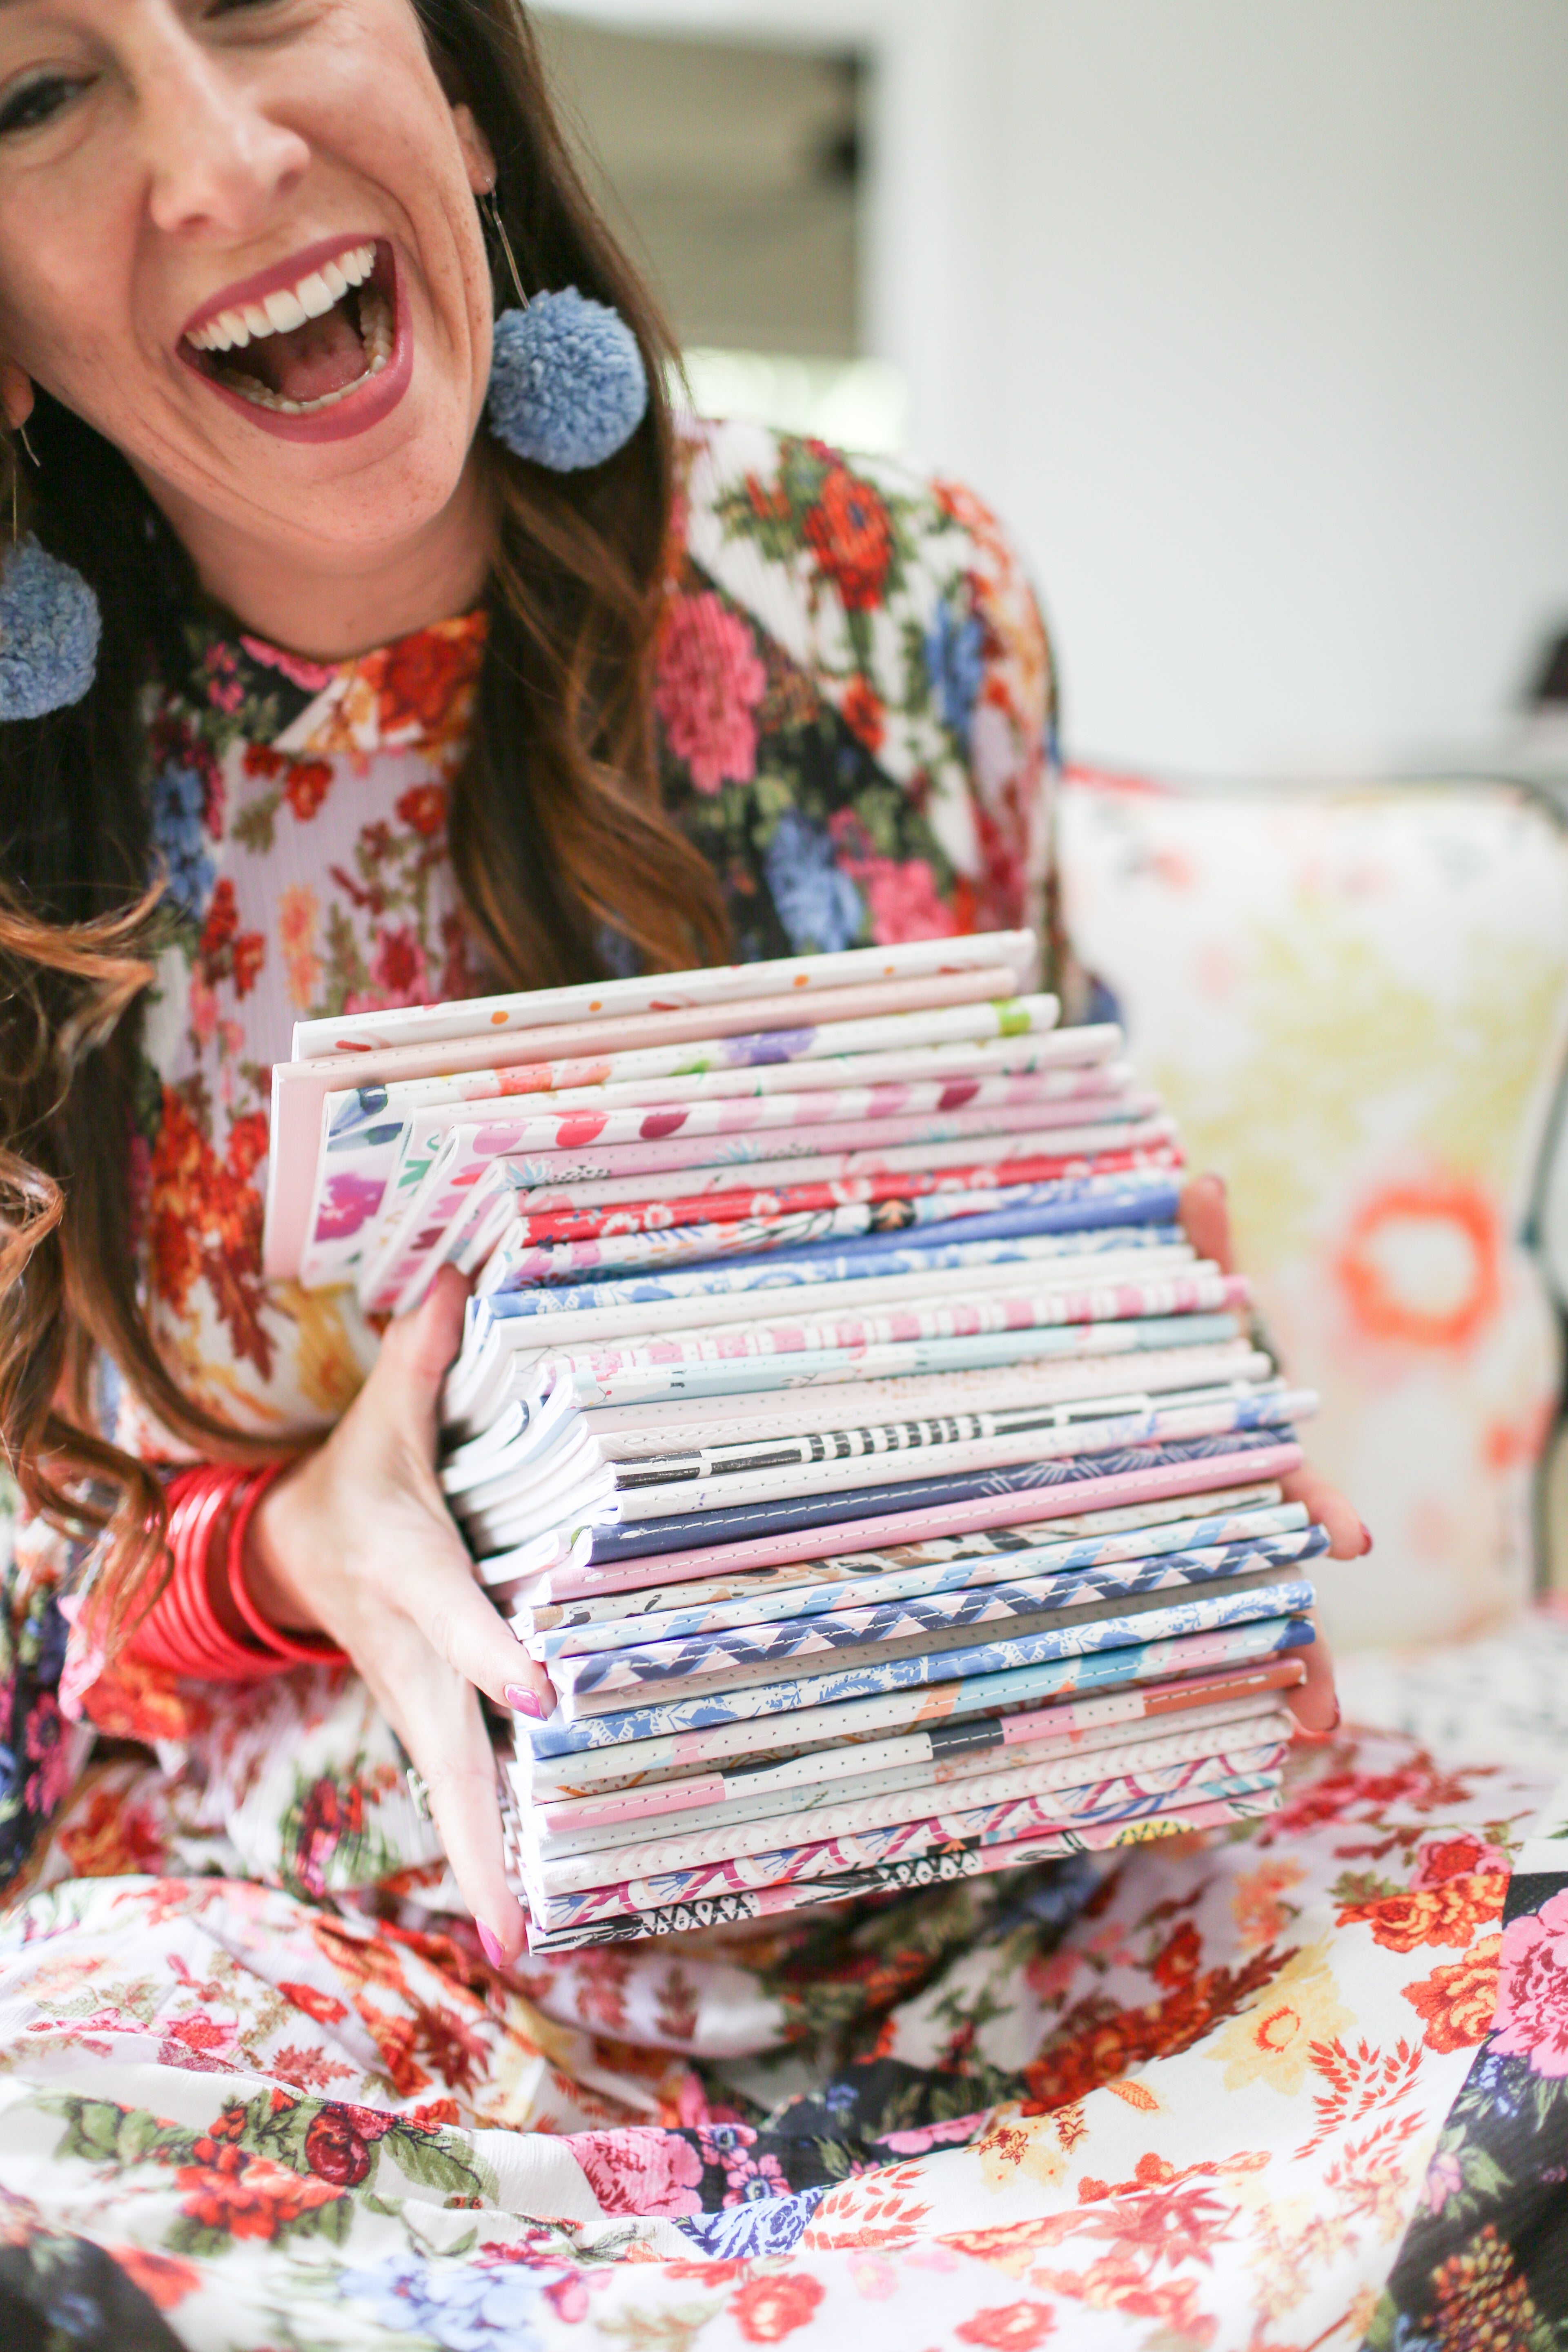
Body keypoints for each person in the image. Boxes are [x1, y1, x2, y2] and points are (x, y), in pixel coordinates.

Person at [0, 7, 1536, 2348]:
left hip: (999, 1888)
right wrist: (279, 1546)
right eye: (34, 94)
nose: (217, 164)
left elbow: (1046, 1206)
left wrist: (1143, 1390)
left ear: (456, 85)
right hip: (350, 1938)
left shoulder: (894, 604)